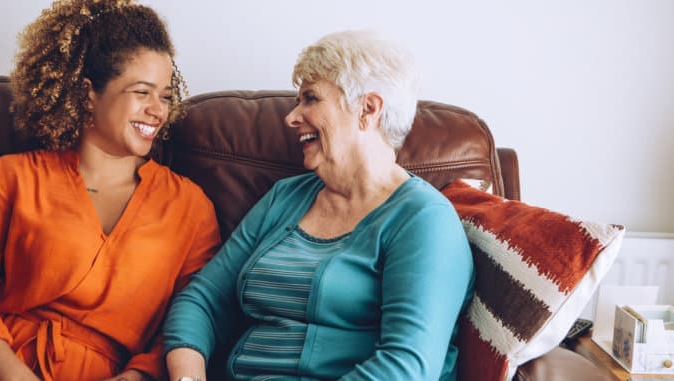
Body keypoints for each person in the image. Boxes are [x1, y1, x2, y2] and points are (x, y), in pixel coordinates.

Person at [163, 30, 474, 381]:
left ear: (367, 109)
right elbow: (202, 300)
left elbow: (406, 366)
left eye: (311, 99)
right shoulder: (286, 197)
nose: (292, 117)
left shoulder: (423, 219)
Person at [0, 1, 220, 380]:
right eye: (142, 92)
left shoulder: (190, 208)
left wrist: (136, 377)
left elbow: (190, 323)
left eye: (165, 96)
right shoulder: (9, 177)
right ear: (88, 94)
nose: (158, 110)